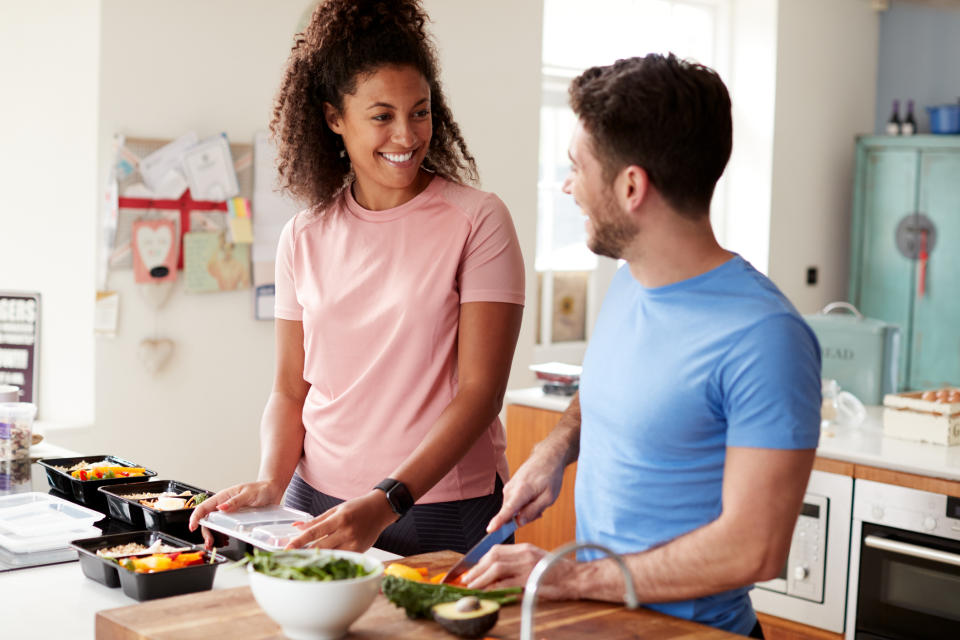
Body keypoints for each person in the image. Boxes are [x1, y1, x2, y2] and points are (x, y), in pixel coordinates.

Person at [462, 54, 821, 639]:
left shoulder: (764, 338)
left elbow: (755, 549)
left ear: (632, 186)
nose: (567, 185)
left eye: (578, 167)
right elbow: (607, 389)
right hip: (602, 623)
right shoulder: (631, 279)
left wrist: (571, 578)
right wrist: (554, 451)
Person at [189, 0, 524, 557]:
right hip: (312, 501)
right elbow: (290, 388)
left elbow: (480, 394)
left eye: (420, 111)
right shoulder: (303, 234)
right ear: (333, 118)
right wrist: (272, 483)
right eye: (382, 115)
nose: (406, 135)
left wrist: (387, 499)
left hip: (438, 507)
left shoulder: (479, 220)